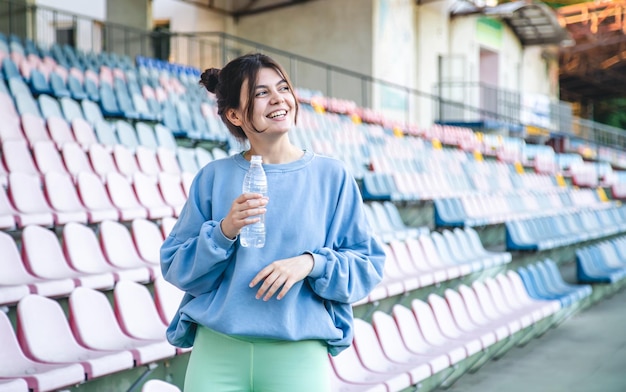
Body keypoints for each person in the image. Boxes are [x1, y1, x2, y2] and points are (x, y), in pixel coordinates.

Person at [160, 52, 386, 392]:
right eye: (261, 93)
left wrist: (311, 263)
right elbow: (176, 266)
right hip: (218, 349)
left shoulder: (331, 177)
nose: (279, 98)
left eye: (283, 87)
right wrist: (224, 232)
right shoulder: (212, 178)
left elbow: (367, 265)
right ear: (234, 114)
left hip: (297, 352)